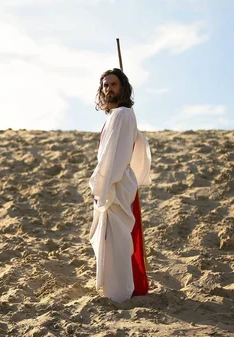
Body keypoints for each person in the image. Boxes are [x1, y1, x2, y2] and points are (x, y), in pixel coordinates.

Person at [88, 68, 152, 302]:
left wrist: (101, 184)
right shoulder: (117, 116)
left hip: (116, 184)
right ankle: (119, 288)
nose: (109, 89)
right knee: (113, 237)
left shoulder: (124, 114)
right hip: (115, 182)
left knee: (118, 239)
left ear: (123, 88)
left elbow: (112, 156)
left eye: (113, 84)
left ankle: (120, 293)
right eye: (105, 85)